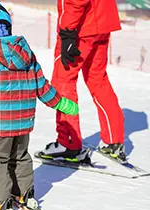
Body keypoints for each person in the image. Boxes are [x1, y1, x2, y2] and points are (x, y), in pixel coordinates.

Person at [0, 0, 78, 210]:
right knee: (20, 156)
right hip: (23, 124)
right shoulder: (27, 53)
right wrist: (61, 103)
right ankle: (24, 195)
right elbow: (42, 86)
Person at [40, 0, 126, 161]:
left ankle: (68, 143)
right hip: (101, 22)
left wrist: (67, 32)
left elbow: (73, 1)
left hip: (81, 28)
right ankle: (114, 140)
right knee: (98, 79)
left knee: (63, 81)